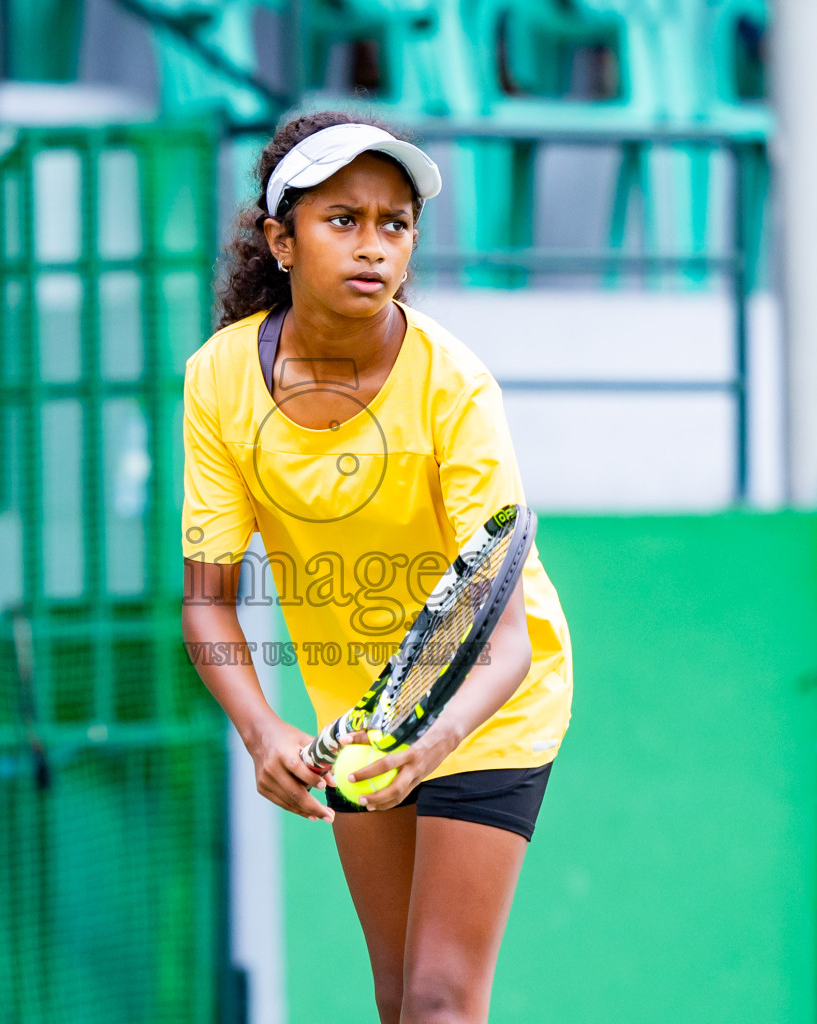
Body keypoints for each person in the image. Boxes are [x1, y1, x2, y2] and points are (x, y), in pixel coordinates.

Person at [179, 109, 574, 1024]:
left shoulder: (454, 384)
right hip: (357, 713)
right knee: (397, 1002)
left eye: (394, 225)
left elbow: (505, 638)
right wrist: (262, 731)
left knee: (440, 1001)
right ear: (281, 240)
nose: (373, 247)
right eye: (342, 220)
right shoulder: (220, 379)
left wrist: (431, 744)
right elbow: (207, 603)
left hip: (493, 703)